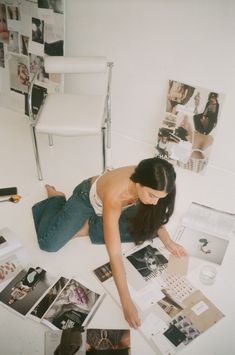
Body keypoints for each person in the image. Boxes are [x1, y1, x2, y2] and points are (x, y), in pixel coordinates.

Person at [32, 157, 187, 328]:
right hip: (87, 198)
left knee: (145, 229)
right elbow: (114, 254)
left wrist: (169, 241)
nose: (155, 202)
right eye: (152, 195)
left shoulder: (158, 179)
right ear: (138, 184)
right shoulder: (116, 195)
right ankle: (57, 199)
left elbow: (154, 218)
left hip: (123, 205)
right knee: (48, 243)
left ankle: (87, 225)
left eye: (160, 197)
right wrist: (126, 303)